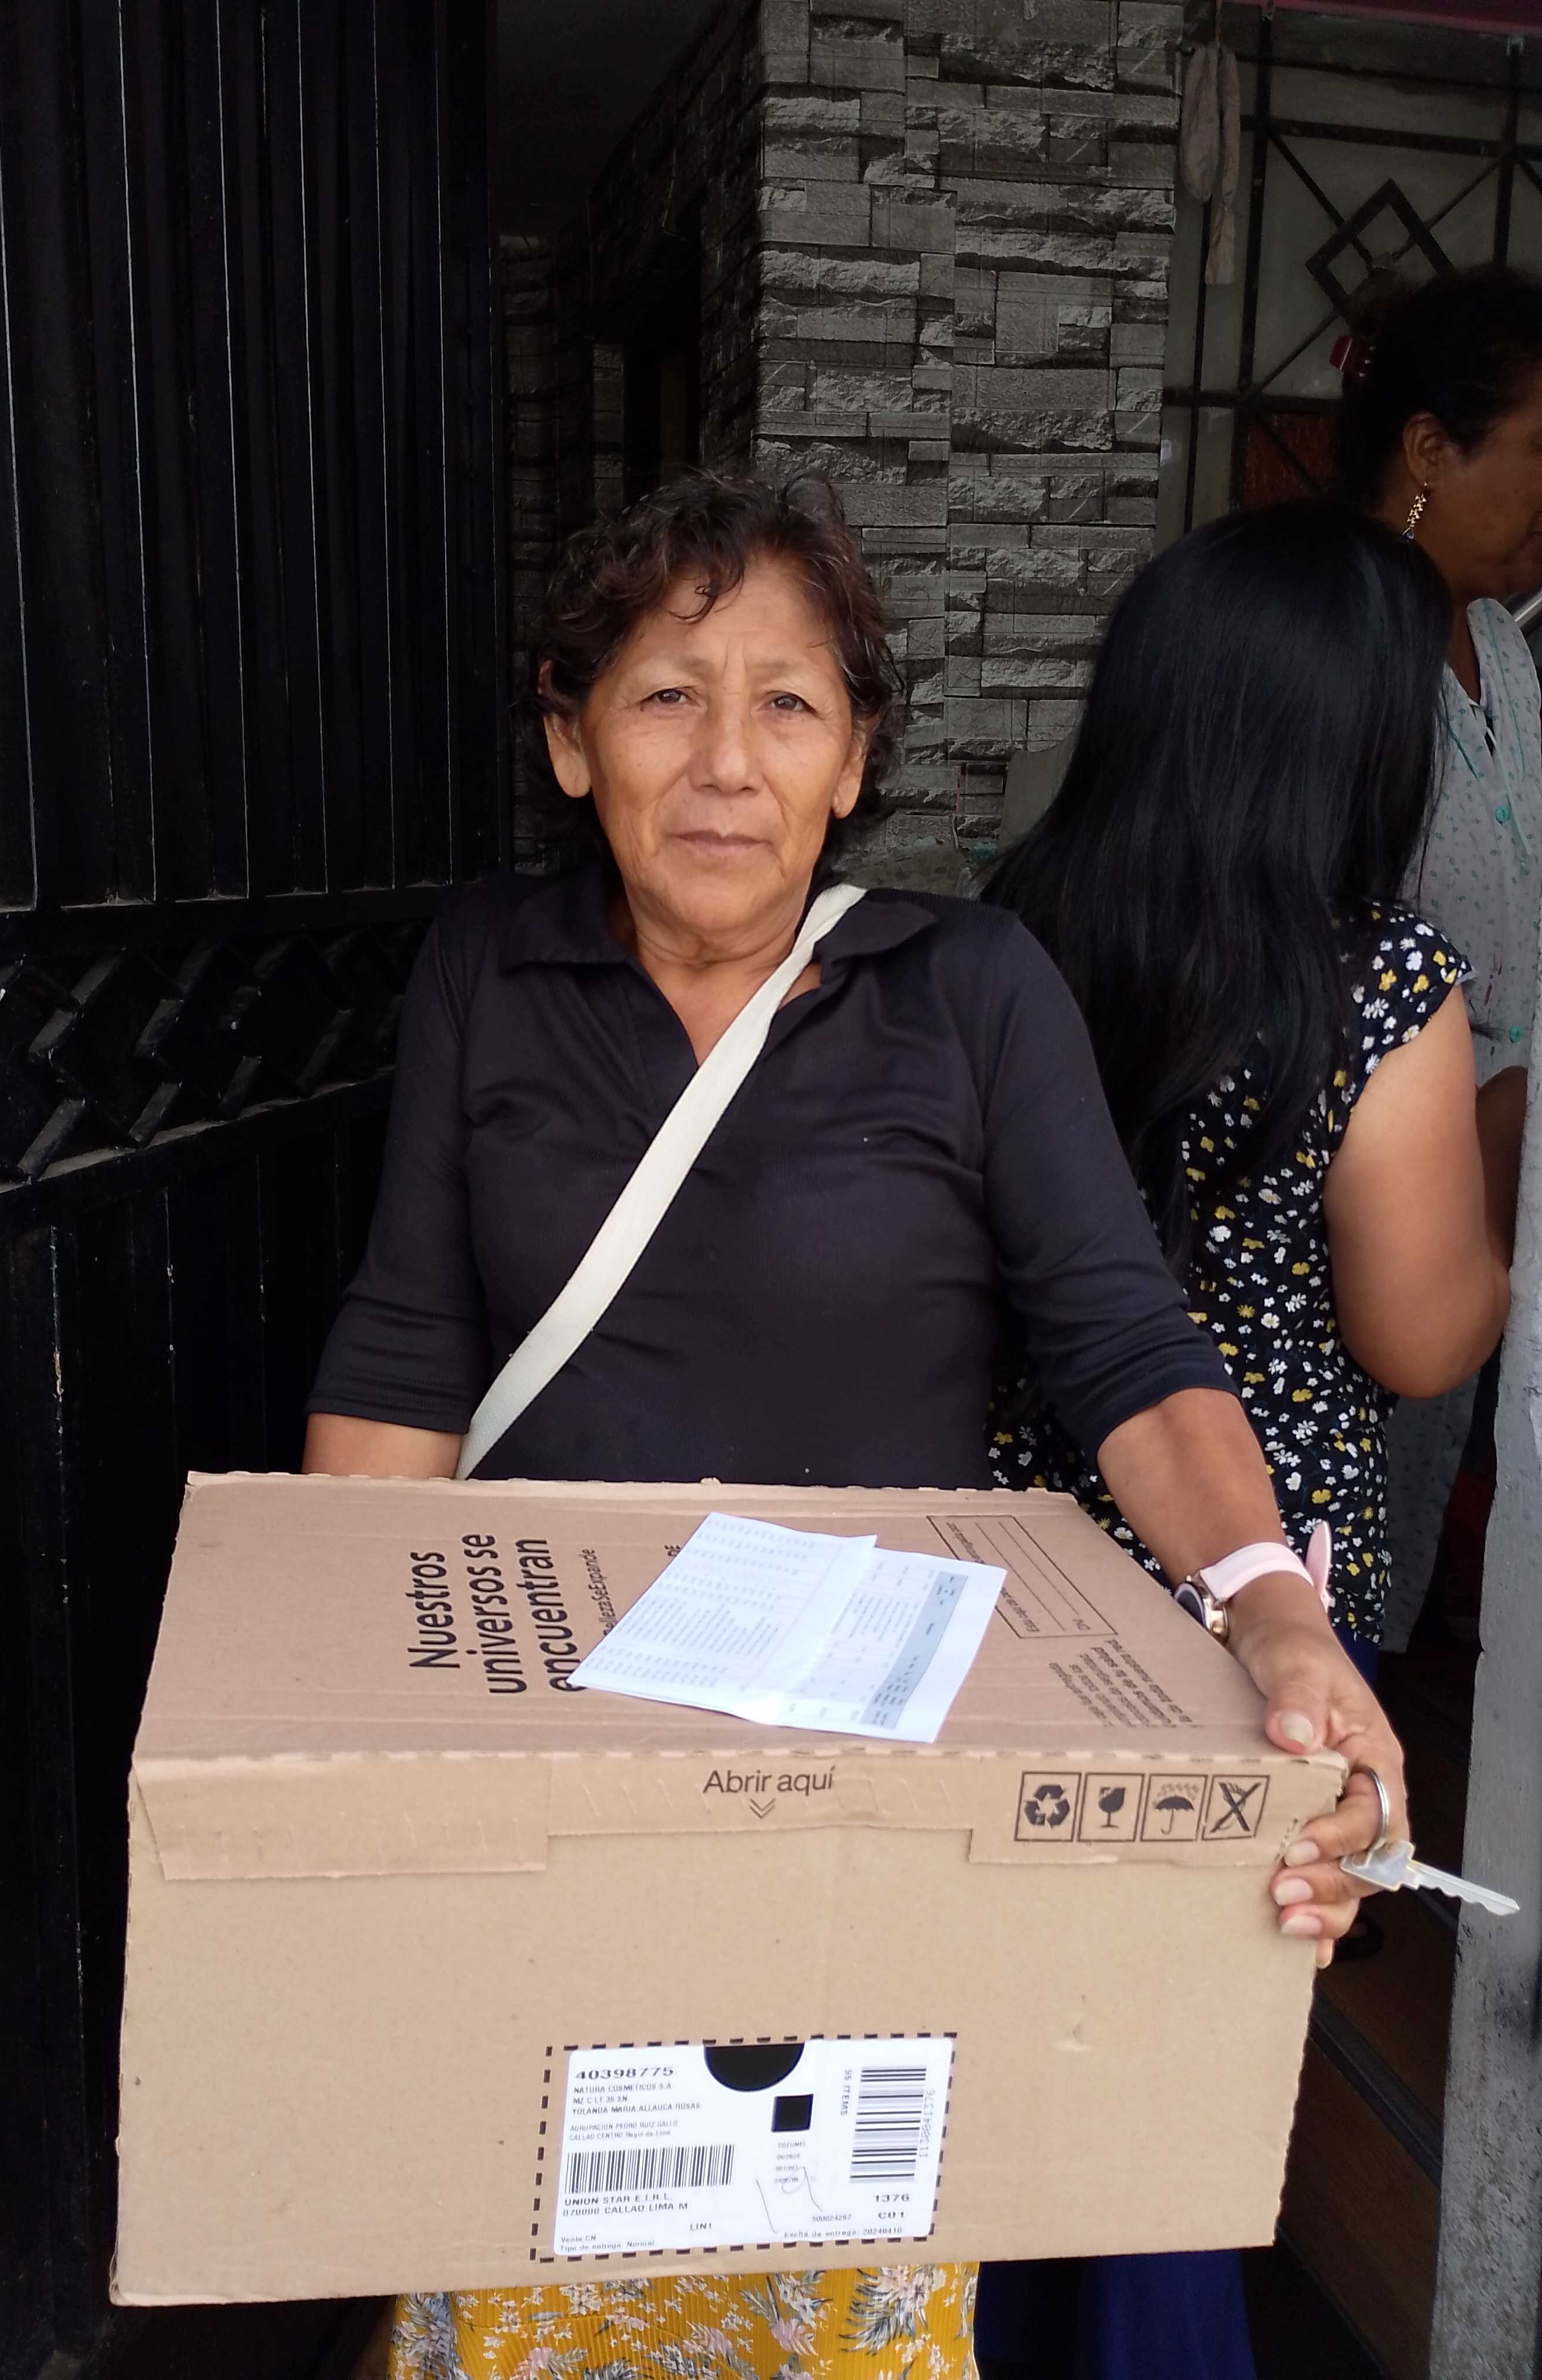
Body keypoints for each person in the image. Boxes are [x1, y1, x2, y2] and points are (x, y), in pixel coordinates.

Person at [304, 470, 1410, 2380]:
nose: (725, 761)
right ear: (572, 740)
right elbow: (407, 1349)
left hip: (868, 1790)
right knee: (532, 2270)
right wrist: (322, 1738)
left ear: (854, 758)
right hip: (556, 1778)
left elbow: (1122, 1346)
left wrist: (1272, 1608)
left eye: (788, 705)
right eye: (665, 697)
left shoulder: (968, 987)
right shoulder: (488, 964)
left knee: (832, 2279)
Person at [978, 502, 1510, 2380]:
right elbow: (1422, 1332)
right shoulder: (1380, 984)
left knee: (986, 2044)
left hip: (1010, 1579)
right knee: (1172, 2098)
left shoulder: (1007, 933)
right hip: (1254, 1598)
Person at [1335, 264, 1542, 1640]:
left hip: (1488, 1205)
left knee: (1408, 1557)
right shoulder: (1339, 656)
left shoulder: (1505, 653)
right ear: (1428, 448)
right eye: (1538, 449)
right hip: (1368, 1215)